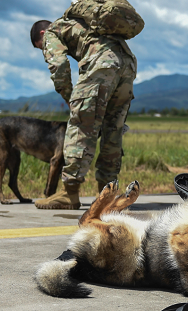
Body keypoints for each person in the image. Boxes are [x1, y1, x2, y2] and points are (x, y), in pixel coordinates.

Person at [30, 17, 137, 210]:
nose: (43, 50)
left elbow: (59, 65)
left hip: (101, 63)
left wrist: (71, 98)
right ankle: (108, 196)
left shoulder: (52, 32)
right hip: (127, 63)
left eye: (40, 47)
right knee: (113, 131)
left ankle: (68, 193)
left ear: (41, 34)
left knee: (80, 127)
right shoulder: (84, 24)